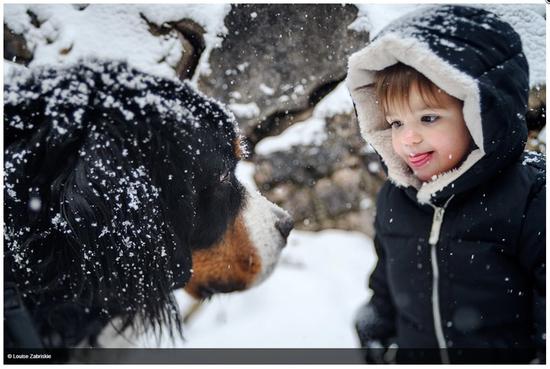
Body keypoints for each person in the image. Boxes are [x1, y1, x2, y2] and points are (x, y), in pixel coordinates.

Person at [345, 5, 545, 364]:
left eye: (428, 117)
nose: (408, 139)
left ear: (481, 112)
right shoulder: (396, 197)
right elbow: (388, 278)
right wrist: (377, 324)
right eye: (395, 123)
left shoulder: (529, 196)